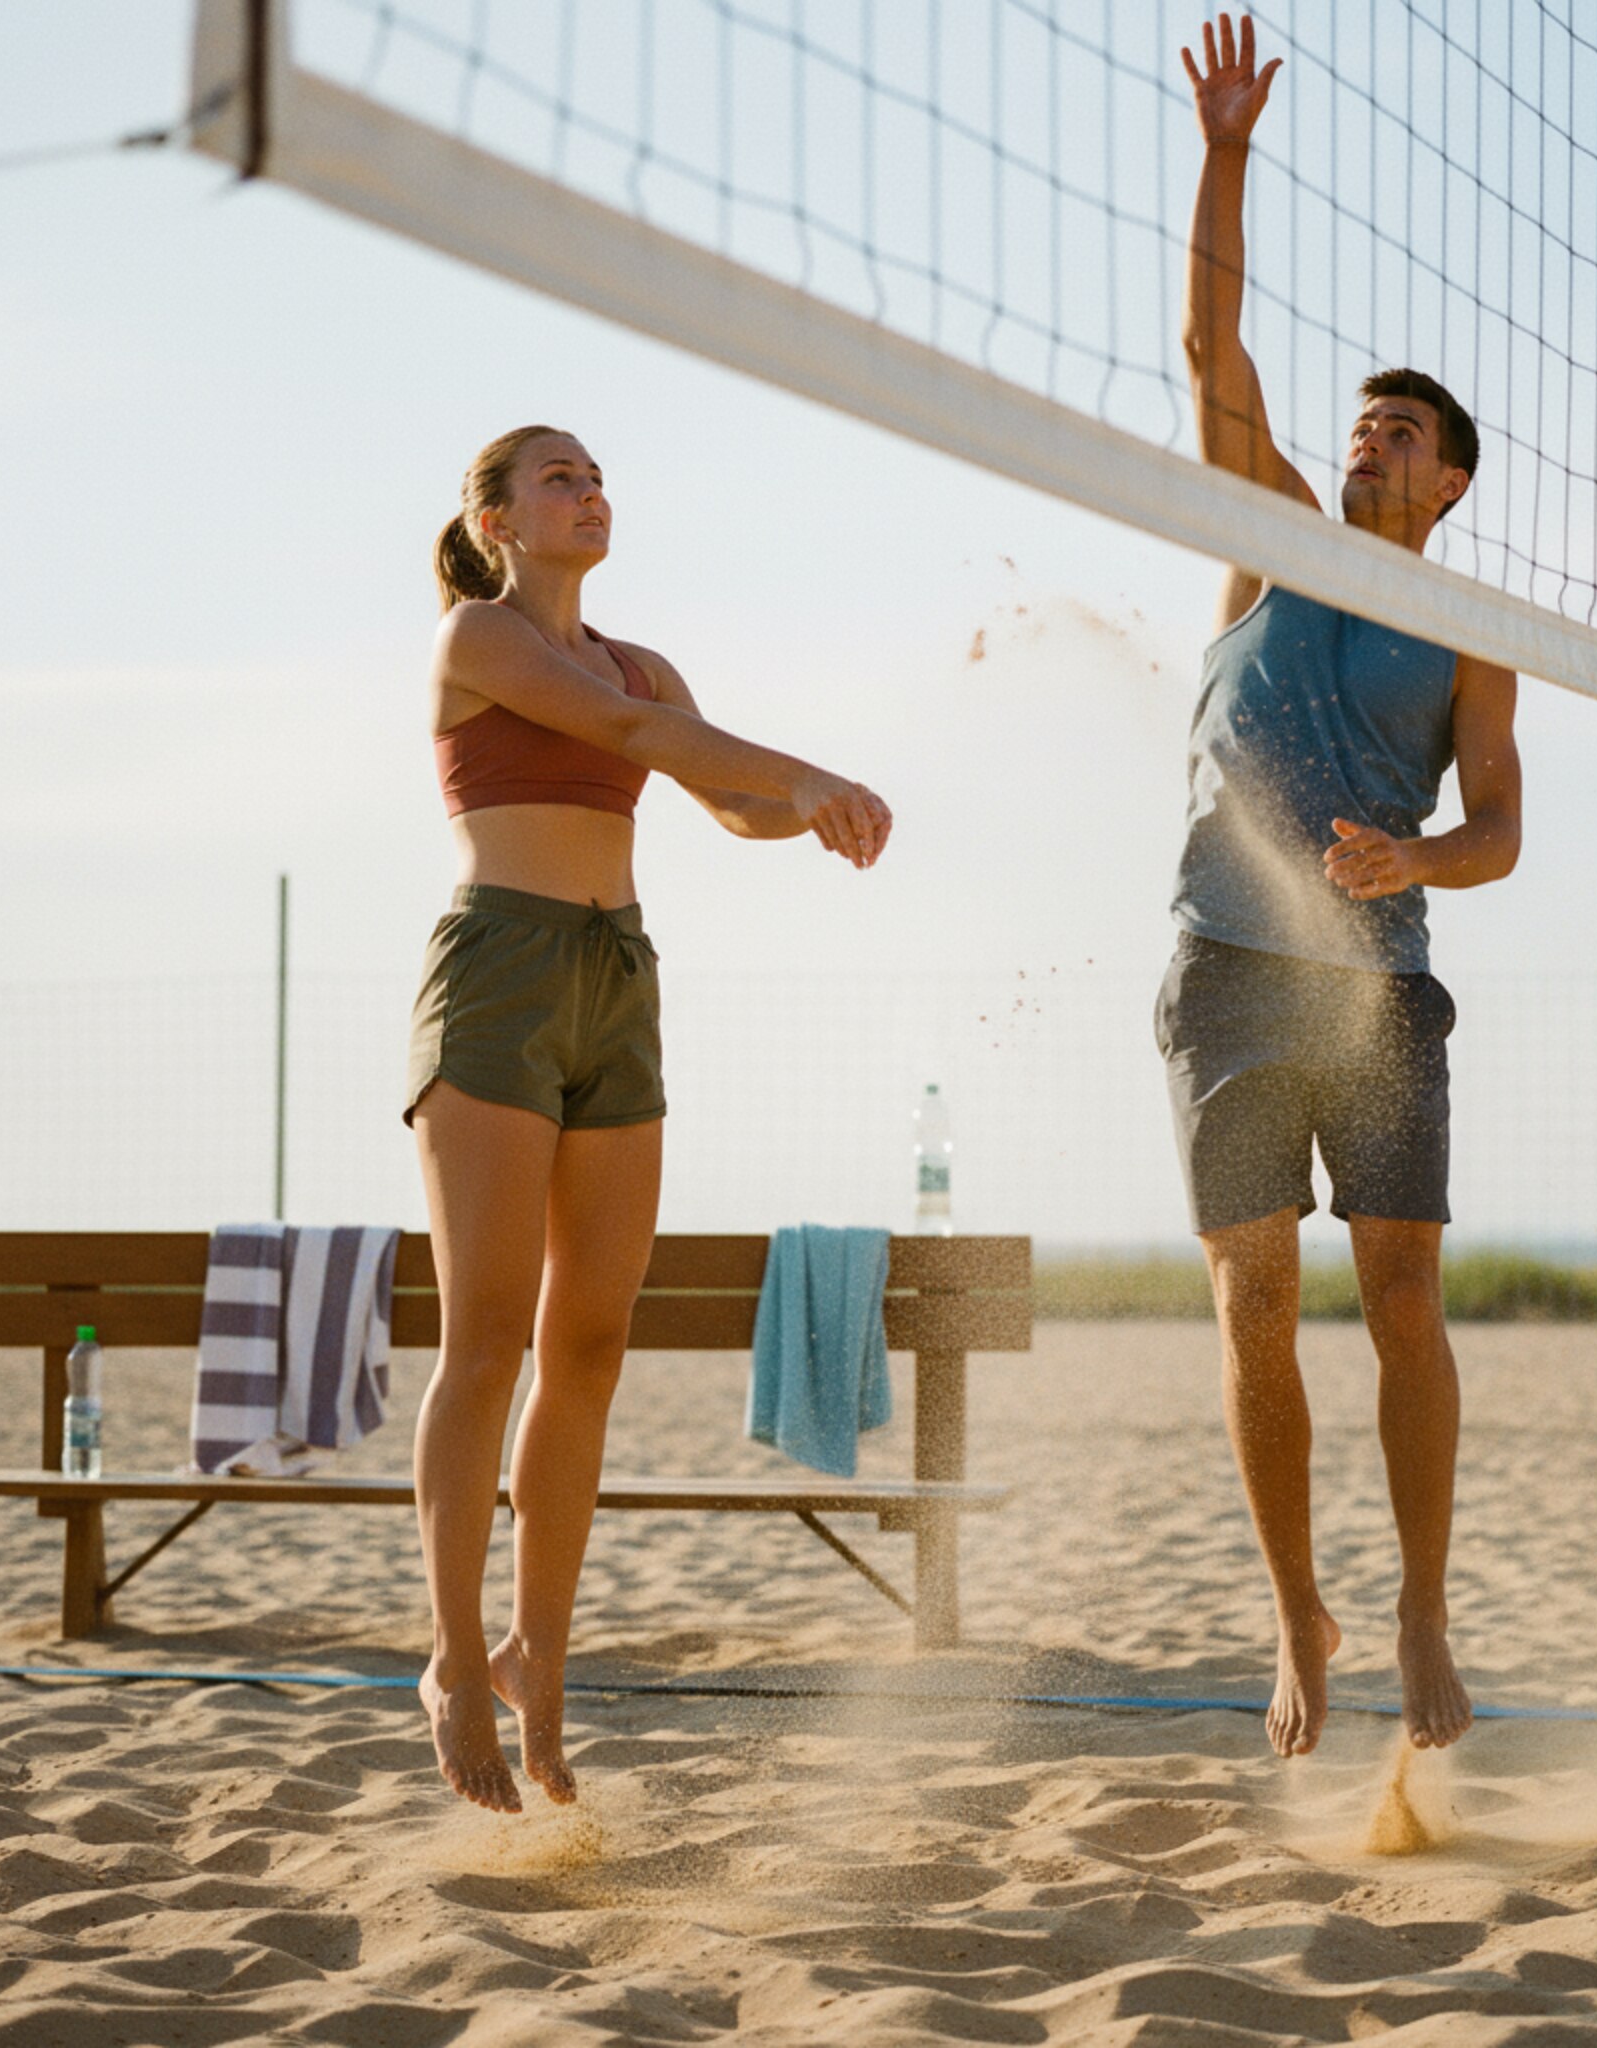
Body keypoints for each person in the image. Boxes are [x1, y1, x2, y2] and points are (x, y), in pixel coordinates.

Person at [407, 424, 892, 1812]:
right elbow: (632, 738)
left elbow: (704, 779)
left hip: (619, 979)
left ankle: (535, 1655)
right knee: (489, 1335)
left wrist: (796, 814)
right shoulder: (480, 644)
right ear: (496, 520)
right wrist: (803, 770)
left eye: (596, 474)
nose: (589, 490)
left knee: (594, 1341)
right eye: (557, 476)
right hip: (500, 972)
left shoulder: (644, 664)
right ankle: (449, 1658)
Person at [1164, 16, 1523, 1758]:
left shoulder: (1475, 640)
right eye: (1360, 426)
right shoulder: (1276, 534)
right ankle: (1296, 1610)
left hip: (1380, 981)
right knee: (1253, 1302)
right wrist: (1227, 149)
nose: (1366, 444)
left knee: (1400, 1297)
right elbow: (1206, 340)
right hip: (1226, 971)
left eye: (1398, 434)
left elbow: (1504, 835)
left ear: (1448, 482)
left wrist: (1416, 854)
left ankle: (1420, 1608)